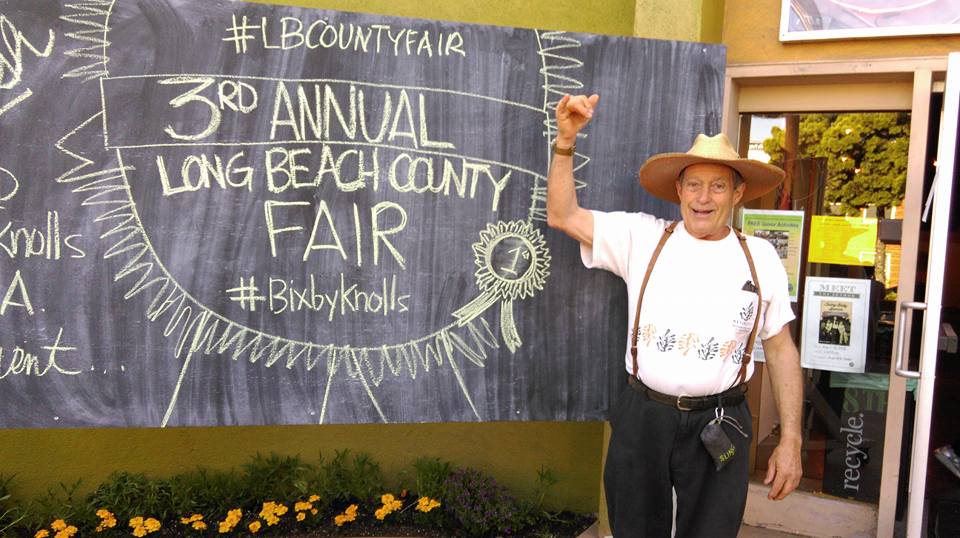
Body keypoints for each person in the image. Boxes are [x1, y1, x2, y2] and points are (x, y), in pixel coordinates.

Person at [546, 94, 804, 537]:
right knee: (634, 530)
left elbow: (780, 350)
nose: (704, 198)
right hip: (643, 415)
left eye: (718, 186)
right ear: (679, 191)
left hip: (722, 419)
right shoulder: (643, 237)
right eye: (694, 185)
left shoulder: (759, 257)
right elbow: (562, 214)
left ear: (738, 193)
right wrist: (565, 141)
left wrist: (792, 440)